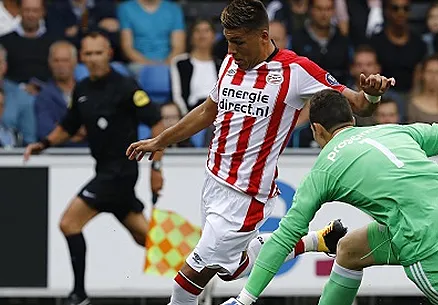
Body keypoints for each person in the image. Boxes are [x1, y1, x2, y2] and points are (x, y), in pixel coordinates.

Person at [124, 1, 396, 305]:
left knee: (185, 285)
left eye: (238, 42)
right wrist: (160, 140)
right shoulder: (231, 62)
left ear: (263, 36)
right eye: (227, 41)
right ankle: (317, 240)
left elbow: (360, 105)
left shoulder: (296, 70)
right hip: (213, 182)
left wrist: (372, 92)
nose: (230, 50)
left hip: (245, 196)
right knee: (231, 269)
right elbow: (207, 110)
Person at [219, 89, 438, 305]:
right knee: (348, 249)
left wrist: (245, 298)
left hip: (426, 244)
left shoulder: (324, 168)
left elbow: (282, 238)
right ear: (352, 118)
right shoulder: (394, 131)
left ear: (317, 130)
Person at [22, 32, 165, 305]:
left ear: (109, 53)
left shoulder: (126, 87)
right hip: (104, 172)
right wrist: (43, 144)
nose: (93, 59)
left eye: (98, 53)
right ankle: (198, 269)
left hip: (120, 173)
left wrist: (156, 167)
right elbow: (69, 126)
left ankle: (79, 295)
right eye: (87, 54)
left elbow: (158, 126)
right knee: (145, 238)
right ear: (81, 58)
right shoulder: (83, 88)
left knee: (68, 223)